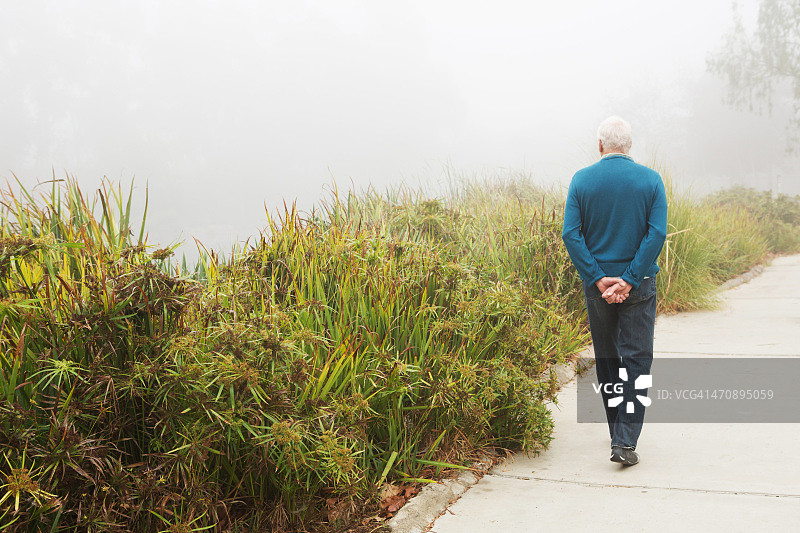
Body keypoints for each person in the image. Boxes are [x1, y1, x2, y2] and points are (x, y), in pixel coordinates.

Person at [561, 116, 667, 466]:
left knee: (607, 360)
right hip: (639, 286)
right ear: (630, 145)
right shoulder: (651, 181)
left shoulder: (581, 180)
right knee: (637, 361)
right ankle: (624, 440)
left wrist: (598, 277)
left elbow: (571, 235)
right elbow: (656, 234)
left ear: (601, 145)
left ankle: (616, 435)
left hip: (597, 288)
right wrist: (631, 278)